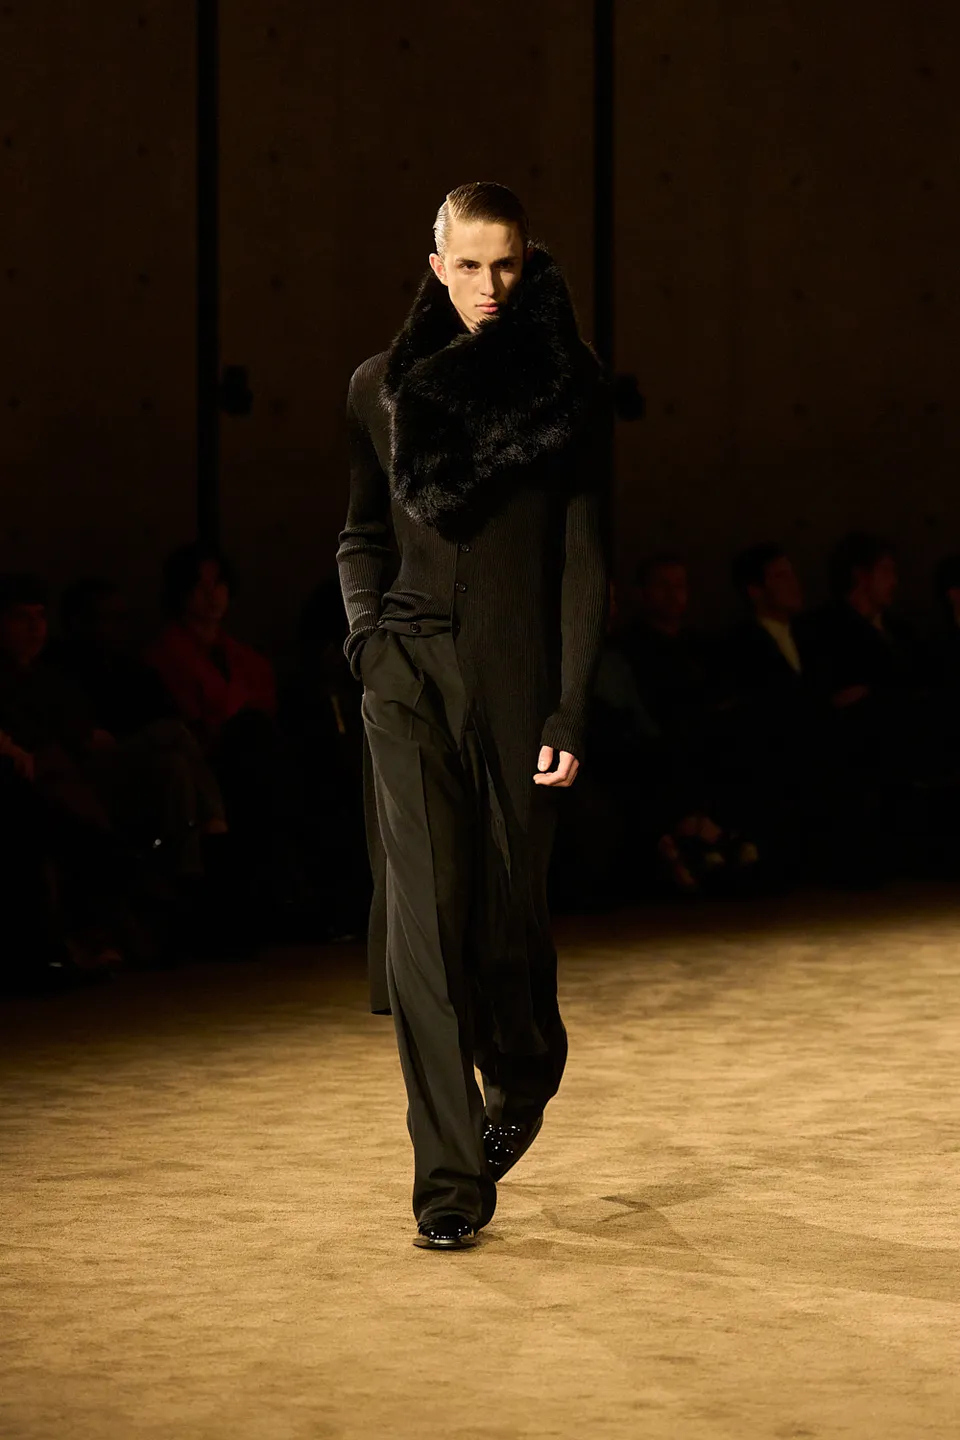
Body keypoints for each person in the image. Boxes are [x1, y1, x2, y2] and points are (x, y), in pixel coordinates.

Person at [337, 181, 610, 1250]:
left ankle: (526, 1068)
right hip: (404, 677)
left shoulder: (568, 386)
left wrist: (570, 707)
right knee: (426, 932)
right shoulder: (378, 388)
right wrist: (366, 640)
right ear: (436, 264)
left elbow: (584, 557)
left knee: (507, 924)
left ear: (527, 261)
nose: (489, 286)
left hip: (517, 686)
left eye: (507, 265)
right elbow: (361, 532)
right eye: (469, 265)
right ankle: (448, 1184)